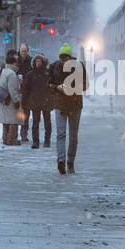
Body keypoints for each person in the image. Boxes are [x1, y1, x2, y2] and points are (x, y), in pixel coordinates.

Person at [48, 43, 88, 175]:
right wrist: (57, 87)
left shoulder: (79, 67)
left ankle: (70, 161)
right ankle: (61, 161)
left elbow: (85, 85)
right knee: (60, 134)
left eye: (66, 58)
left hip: (75, 104)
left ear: (71, 58)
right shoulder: (54, 67)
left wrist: (72, 88)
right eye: (62, 58)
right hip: (60, 104)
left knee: (73, 136)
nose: (64, 61)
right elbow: (49, 83)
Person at [21, 53, 53, 148]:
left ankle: (47, 140)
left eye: (40, 61)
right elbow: (26, 89)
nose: (38, 63)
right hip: (35, 101)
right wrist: (25, 101)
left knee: (47, 122)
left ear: (43, 62)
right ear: (34, 62)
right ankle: (36, 141)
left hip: (46, 101)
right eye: (36, 61)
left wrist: (52, 101)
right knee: (35, 122)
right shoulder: (30, 74)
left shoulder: (47, 74)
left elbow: (51, 89)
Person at [0, 53, 23, 146]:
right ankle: (12, 140)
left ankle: (5, 138)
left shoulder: (4, 71)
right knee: (13, 120)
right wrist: (16, 101)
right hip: (11, 101)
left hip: (4, 99)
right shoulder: (12, 74)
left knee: (6, 120)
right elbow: (12, 89)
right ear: (14, 63)